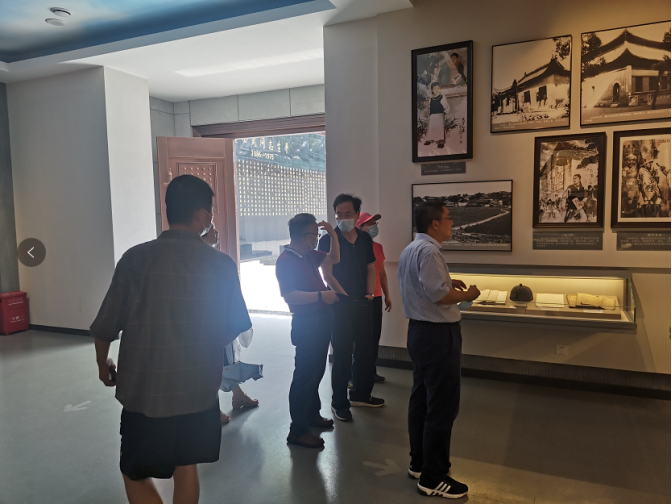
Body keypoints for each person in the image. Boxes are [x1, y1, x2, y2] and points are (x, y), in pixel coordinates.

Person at [91, 175, 252, 504]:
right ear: (201, 215)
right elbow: (236, 323)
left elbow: (106, 324)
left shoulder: (135, 259)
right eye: (211, 212)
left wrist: (102, 363)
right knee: (186, 463)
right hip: (199, 390)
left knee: (135, 472)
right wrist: (205, 344)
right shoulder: (221, 264)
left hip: (145, 393)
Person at [398, 201, 480, 500]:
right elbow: (439, 295)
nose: (452, 223)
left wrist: (448, 282)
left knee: (421, 399)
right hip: (438, 336)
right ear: (435, 223)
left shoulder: (412, 248)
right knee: (442, 406)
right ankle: (434, 477)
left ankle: (419, 463)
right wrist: (467, 294)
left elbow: (425, 286)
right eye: (448, 218)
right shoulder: (430, 251)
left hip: (419, 333)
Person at [276, 214, 341, 448]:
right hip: (308, 323)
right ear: (307, 237)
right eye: (316, 234)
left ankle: (312, 415)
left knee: (316, 372)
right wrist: (322, 296)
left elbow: (334, 258)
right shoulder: (286, 260)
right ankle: (298, 430)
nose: (317, 238)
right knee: (305, 376)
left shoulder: (307, 256)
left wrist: (332, 234)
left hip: (320, 319)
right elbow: (290, 296)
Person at [319, 194, 385, 423]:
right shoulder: (328, 240)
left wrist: (369, 294)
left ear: (357, 214)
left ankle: (361, 395)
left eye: (348, 213)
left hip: (363, 300)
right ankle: (339, 402)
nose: (343, 218)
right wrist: (344, 297)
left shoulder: (365, 239)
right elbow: (326, 274)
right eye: (339, 214)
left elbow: (370, 268)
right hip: (339, 303)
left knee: (365, 351)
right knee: (342, 353)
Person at [202, 227, 260, 425]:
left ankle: (238, 394)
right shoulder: (208, 260)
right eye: (211, 229)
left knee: (224, 361)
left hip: (218, 319)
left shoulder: (217, 259)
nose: (217, 232)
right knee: (212, 364)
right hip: (209, 321)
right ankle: (212, 408)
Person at [356, 212, 392, 384]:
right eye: (369, 224)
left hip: (376, 297)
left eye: (374, 223)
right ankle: (355, 375)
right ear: (359, 227)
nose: (374, 227)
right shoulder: (354, 248)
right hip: (361, 298)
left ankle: (371, 372)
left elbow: (382, 273)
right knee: (359, 338)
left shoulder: (378, 247)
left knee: (374, 336)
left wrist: (387, 295)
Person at [424, 83, 450, 150]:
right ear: (432, 90)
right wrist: (428, 113)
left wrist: (445, 112)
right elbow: (429, 107)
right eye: (434, 89)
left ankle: (440, 141)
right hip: (432, 115)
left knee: (439, 128)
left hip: (439, 115)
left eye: (438, 88)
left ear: (440, 89)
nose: (436, 90)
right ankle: (430, 139)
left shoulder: (442, 98)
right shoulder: (431, 99)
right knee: (431, 127)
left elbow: (446, 107)